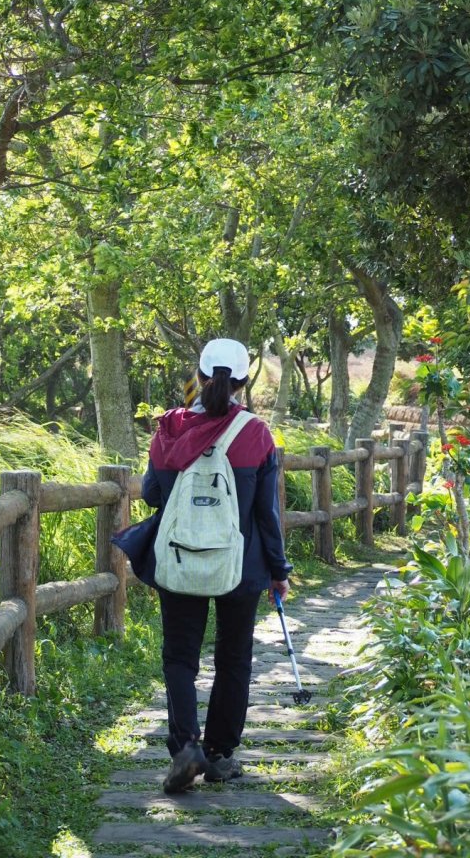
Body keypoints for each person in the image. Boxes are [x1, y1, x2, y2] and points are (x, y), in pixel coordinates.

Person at [141, 338, 292, 794]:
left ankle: (186, 747)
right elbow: (267, 512)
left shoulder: (170, 429)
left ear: (201, 376)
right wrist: (279, 570)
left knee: (181, 656)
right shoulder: (256, 433)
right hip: (241, 567)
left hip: (183, 558)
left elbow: (151, 494)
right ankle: (222, 754)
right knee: (233, 657)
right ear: (242, 382)